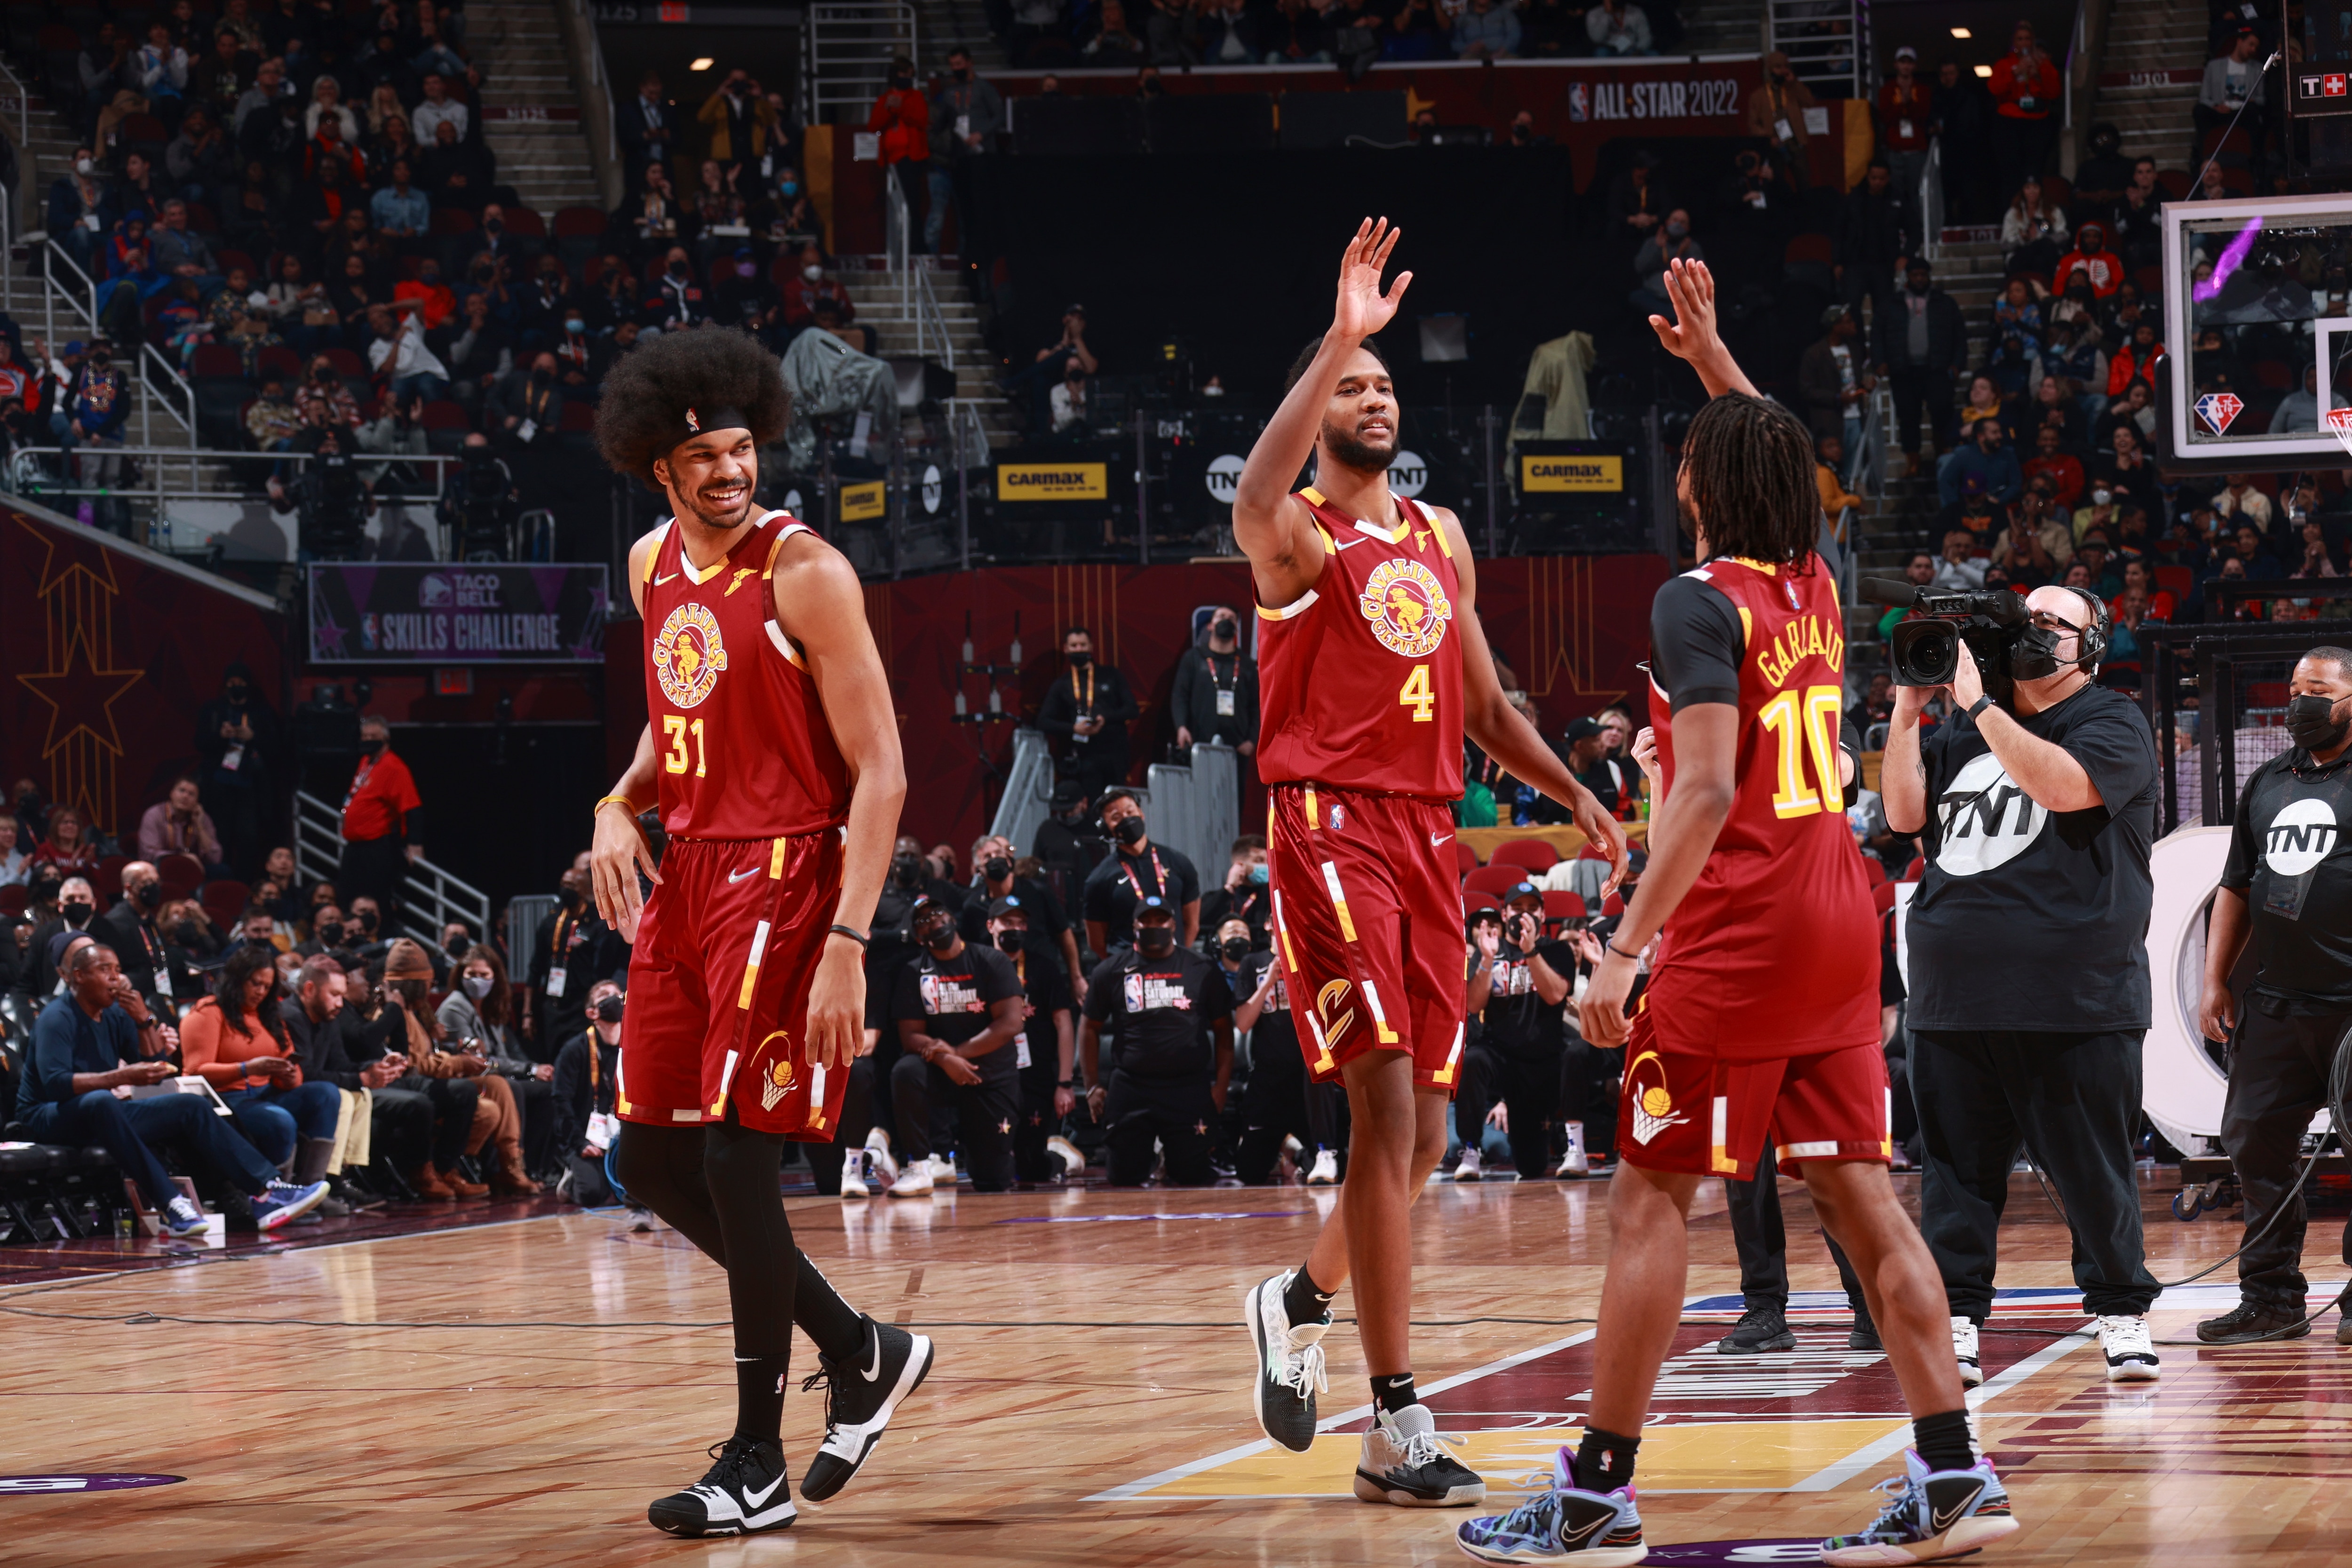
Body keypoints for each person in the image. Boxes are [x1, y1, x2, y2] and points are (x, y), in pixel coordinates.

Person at [1458, 258, 2023, 1565]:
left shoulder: (1695, 600)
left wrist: (1622, 950)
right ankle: (1952, 1468)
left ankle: (1596, 1491)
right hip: (1837, 911)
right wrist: (1716, 363)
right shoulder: (1812, 585)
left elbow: (1706, 790)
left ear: (1698, 484)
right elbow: (1784, 466)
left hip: (1747, 923)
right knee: (1863, 1199)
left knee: (1650, 1199)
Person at [1229, 220, 1627, 1503]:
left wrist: (1575, 790)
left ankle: (1299, 1301)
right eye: (1352, 384)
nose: (1375, 396)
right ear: (1317, 407)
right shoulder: (1297, 535)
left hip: (1423, 834)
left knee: (1427, 1136)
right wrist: (1339, 334)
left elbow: (1487, 703)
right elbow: (1250, 497)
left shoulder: (1439, 534)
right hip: (1328, 826)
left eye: (1384, 382)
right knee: (1386, 1109)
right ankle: (1395, 1418)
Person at [586, 326, 933, 1536]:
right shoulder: (650, 566)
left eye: (741, 449)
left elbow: (883, 771)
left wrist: (848, 941)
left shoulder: (806, 573)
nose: (730, 470)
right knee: (649, 1161)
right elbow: (679, 717)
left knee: (740, 1158)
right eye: (704, 457)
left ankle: (754, 1459)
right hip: (688, 875)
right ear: (661, 468)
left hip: (788, 875)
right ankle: (861, 1347)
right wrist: (617, 802)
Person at [1878, 570, 2161, 1379]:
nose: (2031, 628)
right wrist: (1907, 714)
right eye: (2026, 616)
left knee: (2093, 1171)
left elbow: (2063, 787)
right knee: (1955, 1177)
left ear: (2090, 648)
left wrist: (1978, 705)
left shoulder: (2112, 720)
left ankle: (2120, 1309)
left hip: (2075, 994)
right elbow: (1904, 816)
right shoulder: (1962, 728)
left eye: (2052, 621)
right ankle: (1958, 1317)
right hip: (1954, 994)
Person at [2194, 648, 2352, 1344]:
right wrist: (2213, 979)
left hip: (2350, 1006)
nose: (2300, 702)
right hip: (2278, 1002)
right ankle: (2270, 1298)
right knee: (2252, 1139)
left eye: (2317, 689)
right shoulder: (2267, 781)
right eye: (2292, 689)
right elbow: (2235, 886)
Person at [19, 942, 326, 1235]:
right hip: (47, 1116)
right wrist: (120, 1076)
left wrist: (143, 1020)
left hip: (103, 1113)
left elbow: (155, 1069)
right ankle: (171, 1203)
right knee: (101, 1101)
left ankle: (267, 1190)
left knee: (190, 1104)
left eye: (118, 969)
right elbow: (57, 1085)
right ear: (78, 976)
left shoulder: (115, 1014)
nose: (116, 978)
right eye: (104, 969)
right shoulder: (56, 1018)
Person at [1077, 897, 1235, 1186]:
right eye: (1145, 921)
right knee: (1123, 1178)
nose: (1153, 926)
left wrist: (1221, 1086)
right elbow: (1088, 1028)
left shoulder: (1201, 967)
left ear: (1173, 924)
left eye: (1160, 920)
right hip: (1132, 1085)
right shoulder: (1110, 971)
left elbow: (1224, 1030)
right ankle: (1151, 1158)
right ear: (1134, 926)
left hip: (1188, 1086)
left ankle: (1170, 1157)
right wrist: (1092, 1086)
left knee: (1193, 1177)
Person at [179, 942, 350, 1198]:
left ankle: (312, 1189)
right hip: (225, 1099)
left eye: (267, 987)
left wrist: (289, 1076)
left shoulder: (269, 1015)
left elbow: (291, 1070)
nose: (260, 992)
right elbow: (195, 1072)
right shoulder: (209, 1012)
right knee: (279, 1120)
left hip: (265, 1093)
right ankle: (275, 1195)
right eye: (255, 983)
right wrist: (246, 1069)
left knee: (327, 1093)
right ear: (238, 979)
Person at [886, 894, 1025, 1196]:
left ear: (952, 918)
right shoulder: (914, 971)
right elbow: (910, 1035)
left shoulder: (991, 960)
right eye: (924, 921)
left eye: (938, 912)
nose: (934, 921)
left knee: (992, 1180)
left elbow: (1011, 1022)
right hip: (941, 1072)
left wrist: (958, 1054)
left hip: (989, 1075)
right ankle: (919, 1167)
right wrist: (946, 1061)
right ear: (918, 936)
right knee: (905, 1071)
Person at [1456, 881, 1574, 1180]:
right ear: (1505, 913)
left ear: (1543, 915)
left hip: (1540, 1061)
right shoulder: (1488, 952)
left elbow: (1555, 995)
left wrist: (1530, 951)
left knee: (1531, 1167)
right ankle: (1470, 1150)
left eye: (1532, 909)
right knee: (1473, 1060)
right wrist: (1486, 959)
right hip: (1499, 1056)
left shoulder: (1557, 950)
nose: (1525, 914)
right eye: (1517, 908)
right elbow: (1473, 1005)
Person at [984, 895, 1080, 1186]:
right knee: (992, 1171)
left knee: (1030, 1168)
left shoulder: (1044, 968)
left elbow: (1064, 1023)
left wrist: (1065, 1083)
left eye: (1021, 923)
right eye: (1007, 922)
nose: (1015, 928)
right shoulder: (979, 964)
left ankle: (1063, 1158)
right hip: (991, 1074)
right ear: (991, 926)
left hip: (1035, 1074)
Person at [1081, 788, 1200, 957]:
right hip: (1129, 968)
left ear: (1141, 813)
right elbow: (1097, 942)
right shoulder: (1099, 879)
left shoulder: (1178, 862)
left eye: (1130, 812)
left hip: (1175, 965)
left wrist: (1178, 958)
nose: (1126, 819)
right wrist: (1121, 964)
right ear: (1106, 829)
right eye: (1116, 817)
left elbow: (1192, 924)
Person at [1878, 258, 1966, 471]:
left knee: (1942, 409)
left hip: (1937, 368)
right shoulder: (1892, 304)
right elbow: (1878, 335)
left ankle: (1942, 449)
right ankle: (1913, 458)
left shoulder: (1944, 303)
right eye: (1915, 275)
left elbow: (1960, 336)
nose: (1919, 279)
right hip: (1903, 370)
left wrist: (1957, 364)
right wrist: (1880, 361)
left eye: (1923, 275)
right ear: (1908, 277)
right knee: (1908, 415)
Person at [1038, 625, 1138, 805]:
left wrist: (1105, 719)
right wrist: (1073, 729)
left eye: (1083, 645)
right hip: (1083, 758)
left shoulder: (1111, 675)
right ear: (1066, 649)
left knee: (1116, 804)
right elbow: (1044, 721)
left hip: (1114, 754)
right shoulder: (1062, 684)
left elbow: (1132, 709)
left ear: (1091, 646)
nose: (1079, 650)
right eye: (1074, 646)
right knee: (1092, 807)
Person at [337, 714, 420, 917]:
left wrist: (415, 843)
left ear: (385, 739)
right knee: (347, 898)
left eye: (372, 737)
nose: (367, 741)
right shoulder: (366, 761)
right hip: (355, 845)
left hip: (377, 846)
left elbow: (412, 807)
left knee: (375, 900)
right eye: (364, 737)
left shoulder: (394, 767)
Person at [552, 981, 627, 1205]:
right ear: (592, 1012)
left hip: (622, 1136)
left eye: (618, 994)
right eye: (605, 995)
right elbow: (561, 1101)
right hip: (587, 1138)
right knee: (591, 1194)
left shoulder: (633, 1047)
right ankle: (571, 1177)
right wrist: (580, 1143)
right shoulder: (575, 1049)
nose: (614, 998)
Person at [94, 860, 197, 1013]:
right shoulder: (115, 923)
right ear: (129, 888)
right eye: (147, 882)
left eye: (156, 881)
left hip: (162, 997)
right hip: (133, 1004)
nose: (154, 887)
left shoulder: (149, 919)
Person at [1170, 605, 1259, 756]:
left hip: (1237, 748)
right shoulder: (1194, 658)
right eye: (1221, 617)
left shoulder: (1247, 665)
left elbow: (1257, 706)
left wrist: (1252, 740)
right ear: (1210, 626)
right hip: (1198, 743)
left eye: (1232, 619)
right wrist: (1181, 727)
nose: (1226, 621)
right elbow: (1180, 696)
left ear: (1236, 629)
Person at [1746, 50, 1818, 191]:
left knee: (1804, 182)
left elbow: (1810, 102)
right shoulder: (1758, 96)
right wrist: (1767, 138)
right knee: (1776, 183)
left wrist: (1794, 83)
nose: (1783, 71)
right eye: (1778, 67)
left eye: (1786, 67)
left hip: (1795, 142)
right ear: (1770, 70)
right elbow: (1753, 124)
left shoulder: (1792, 89)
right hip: (1775, 145)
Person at [137, 774, 223, 868]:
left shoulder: (201, 817)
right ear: (172, 793)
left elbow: (215, 858)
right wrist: (183, 858)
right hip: (160, 867)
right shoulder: (154, 814)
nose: (186, 796)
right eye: (182, 791)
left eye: (191, 794)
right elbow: (148, 854)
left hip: (192, 869)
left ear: (197, 801)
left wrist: (199, 825)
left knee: (222, 870)